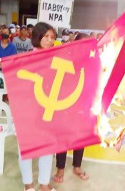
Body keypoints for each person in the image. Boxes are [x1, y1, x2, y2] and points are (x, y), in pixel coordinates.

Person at [18, 22, 57, 191]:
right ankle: (28, 186)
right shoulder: (26, 58)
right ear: (37, 37)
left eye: (53, 38)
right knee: (27, 148)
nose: (49, 40)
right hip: (28, 111)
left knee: (47, 147)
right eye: (46, 36)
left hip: (48, 110)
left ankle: (44, 185)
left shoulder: (56, 59)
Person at [53, 33, 90, 184]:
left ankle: (77, 167)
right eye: (81, 44)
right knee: (63, 137)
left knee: (79, 138)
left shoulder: (91, 61)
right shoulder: (65, 57)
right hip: (65, 103)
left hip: (83, 104)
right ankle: (60, 168)